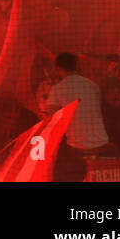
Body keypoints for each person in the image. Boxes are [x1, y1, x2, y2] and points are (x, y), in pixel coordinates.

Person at [42, 53, 111, 181]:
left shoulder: (57, 89)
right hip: (102, 143)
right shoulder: (92, 85)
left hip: (77, 148)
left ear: (58, 68)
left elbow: (50, 117)